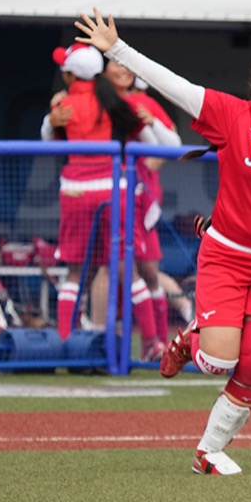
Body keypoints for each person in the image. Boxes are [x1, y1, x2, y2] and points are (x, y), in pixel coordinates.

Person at [75, 9, 251, 476]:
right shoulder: (235, 115)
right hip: (226, 256)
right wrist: (118, 49)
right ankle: (188, 339)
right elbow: (173, 85)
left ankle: (208, 452)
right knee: (218, 360)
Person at [40, 43, 178, 345]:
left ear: (69, 74)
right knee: (128, 271)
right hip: (117, 191)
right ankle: (152, 343)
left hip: (76, 190)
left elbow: (47, 143)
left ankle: (66, 344)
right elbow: (154, 145)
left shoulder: (65, 104)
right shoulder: (117, 103)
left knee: (76, 272)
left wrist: (50, 121)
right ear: (102, 71)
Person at [102, 58, 183, 360]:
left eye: (126, 66)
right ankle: (98, 335)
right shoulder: (95, 100)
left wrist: (151, 125)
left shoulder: (140, 103)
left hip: (138, 198)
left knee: (146, 269)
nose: (122, 71)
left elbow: (170, 146)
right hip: (105, 193)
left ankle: (158, 342)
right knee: (108, 269)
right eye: (115, 66)